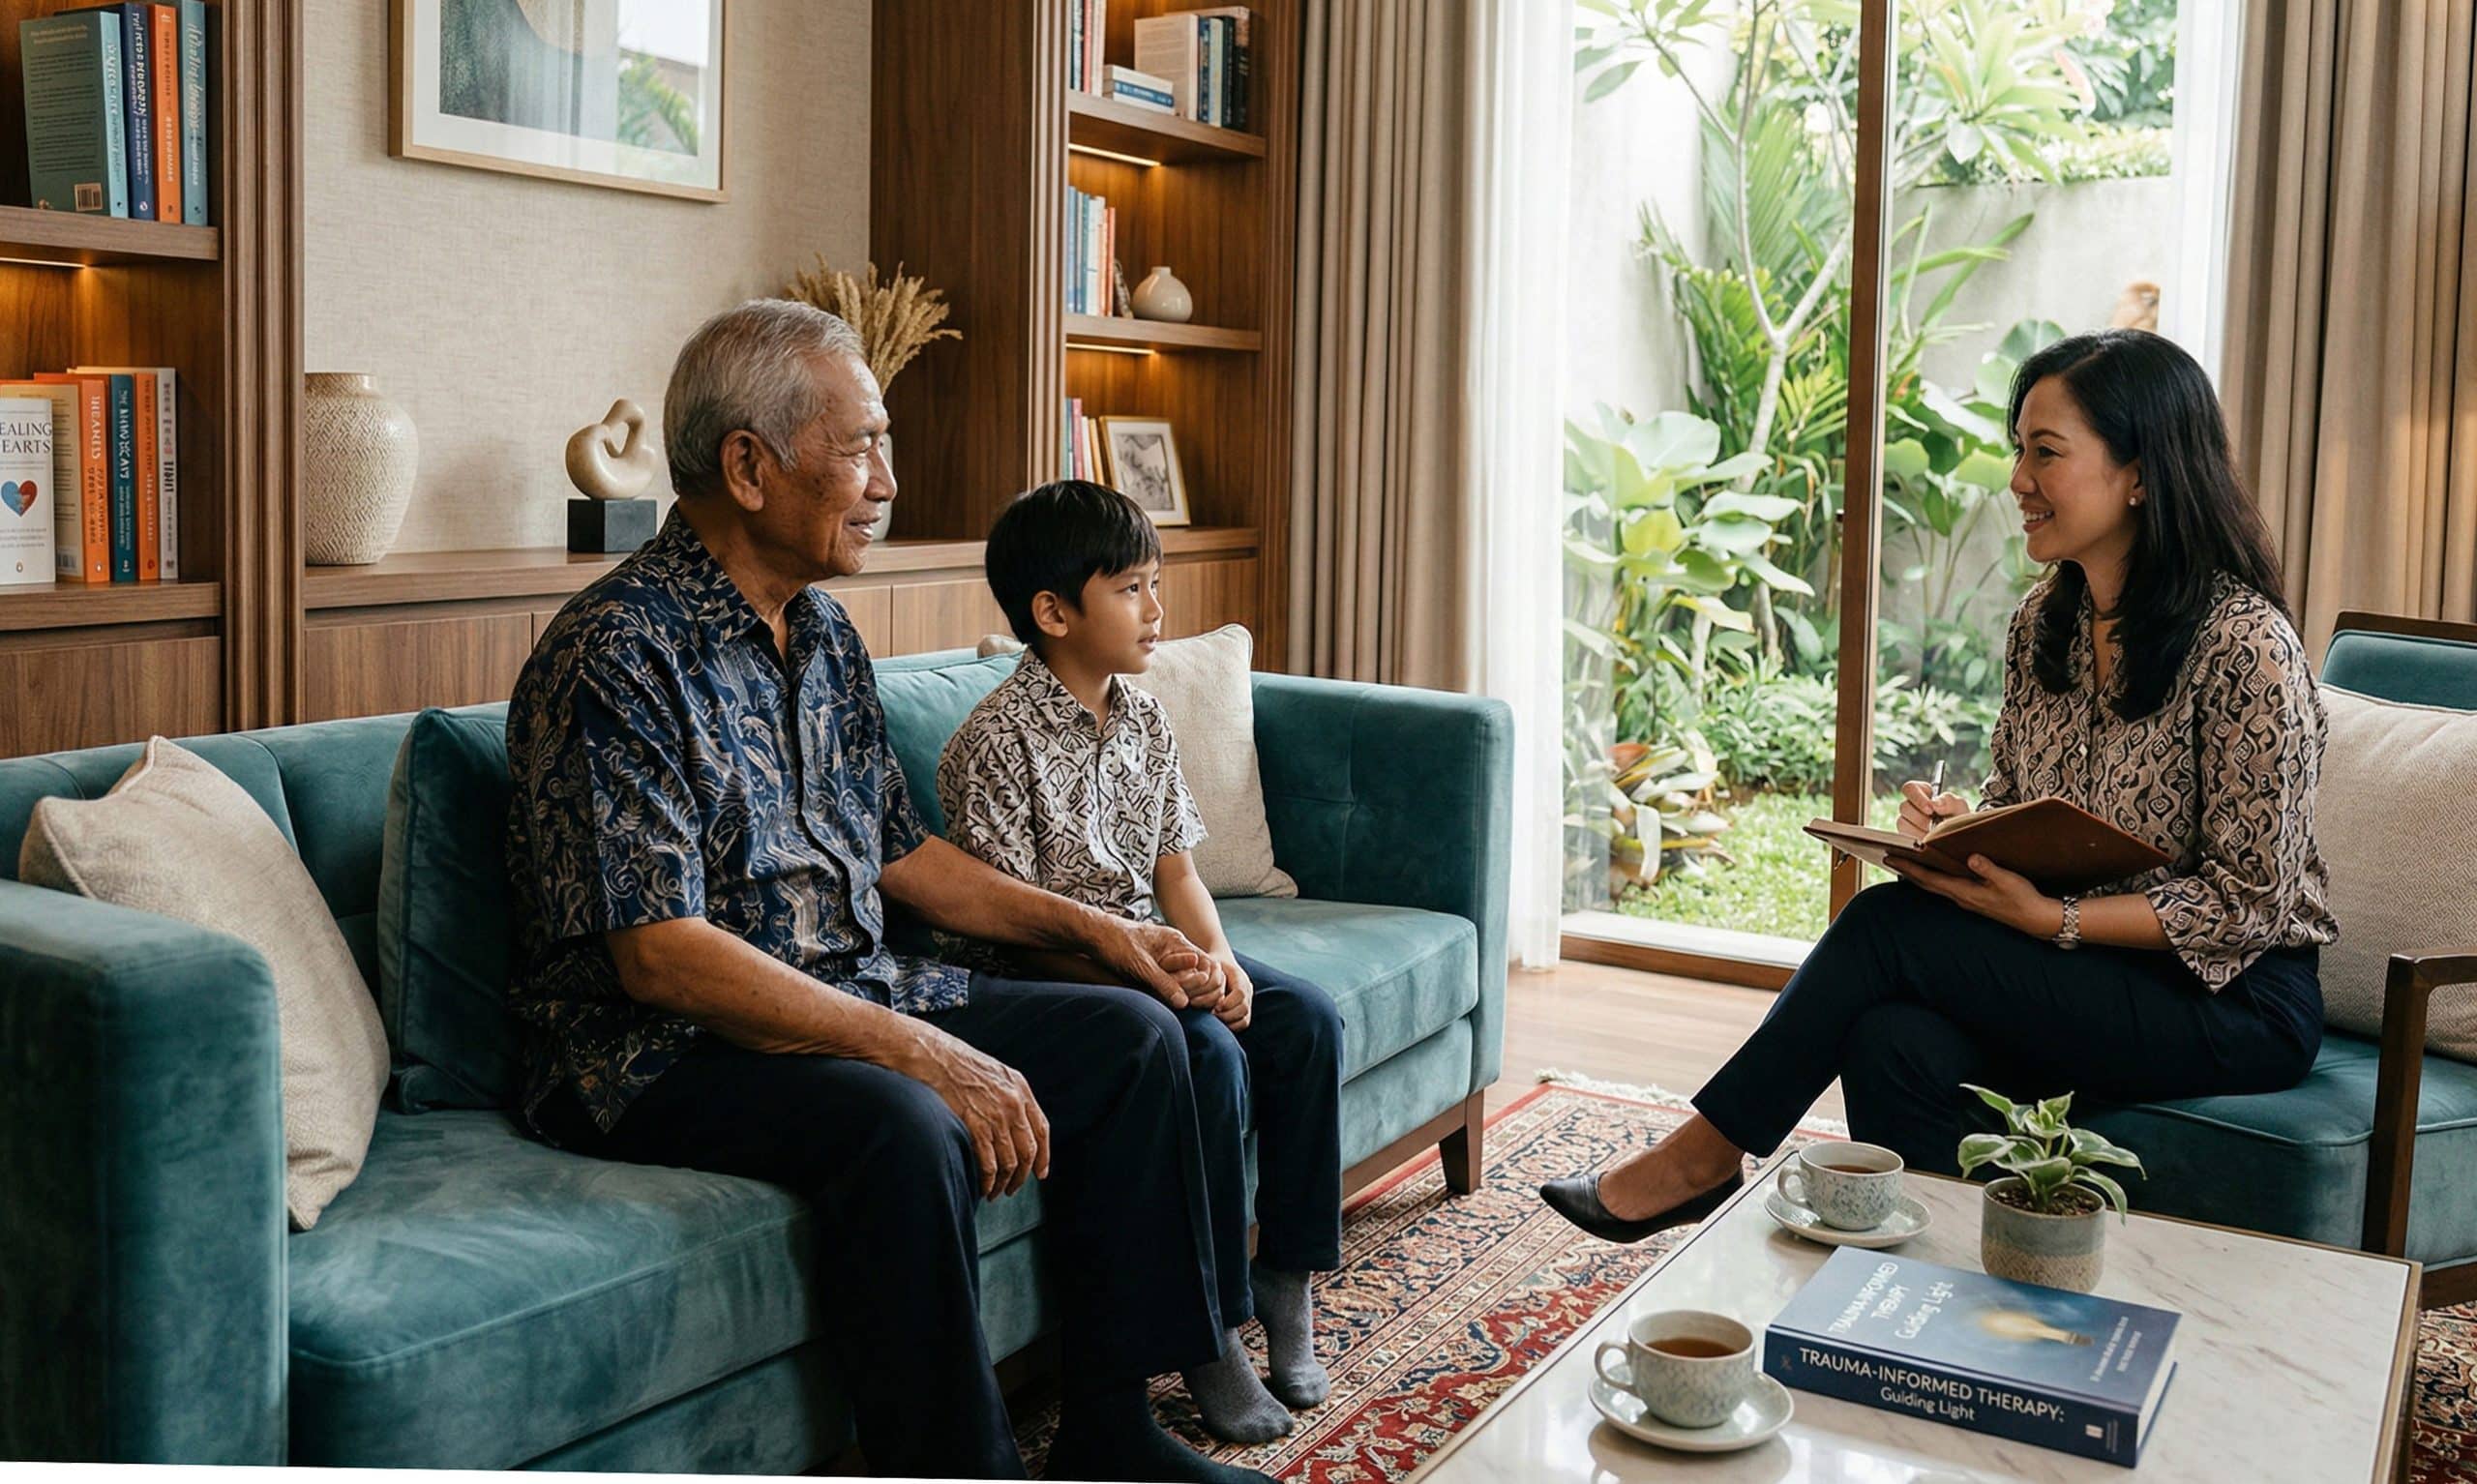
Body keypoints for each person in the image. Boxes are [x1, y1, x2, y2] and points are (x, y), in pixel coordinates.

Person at [503, 298, 1277, 1484]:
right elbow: (658, 956)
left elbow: (902, 854)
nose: (888, 480)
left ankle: (1112, 1428)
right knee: (907, 1122)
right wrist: (923, 1052)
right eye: (862, 445)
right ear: (750, 468)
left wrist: (1108, 931)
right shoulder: (617, 650)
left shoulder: (821, 635)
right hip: (657, 1051)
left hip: (847, 985)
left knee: (1131, 1037)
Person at [1540, 328, 2339, 1242]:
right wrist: (1969, 830)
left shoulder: (2246, 647)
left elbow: (2252, 902)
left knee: (1884, 929)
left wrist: (2053, 921)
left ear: (2142, 473)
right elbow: (2029, 800)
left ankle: (1701, 1158)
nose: (2017, 480)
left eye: (2047, 453)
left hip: (2232, 998)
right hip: (2093, 968)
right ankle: (1927, 1287)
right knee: (1891, 1042)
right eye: (2018, 450)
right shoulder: (2050, 616)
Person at [937, 481, 1345, 1444]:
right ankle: (1205, 1337)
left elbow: (1178, 871)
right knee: (1198, 1053)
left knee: (1304, 1019)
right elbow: (1012, 930)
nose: (1157, 611)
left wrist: (1218, 959)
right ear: (1054, 611)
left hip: (1152, 952)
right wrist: (1160, 978)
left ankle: (1282, 1278)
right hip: (1056, 978)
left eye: (1156, 585)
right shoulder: (992, 741)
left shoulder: (1147, 718)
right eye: (1131, 589)